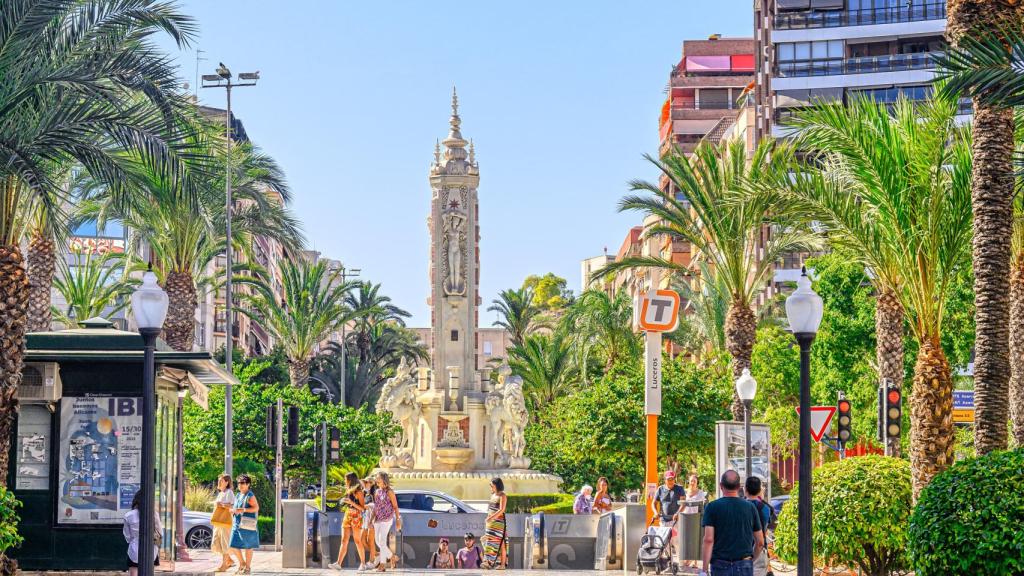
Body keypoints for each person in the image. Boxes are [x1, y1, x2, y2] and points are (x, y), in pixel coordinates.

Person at [699, 470, 764, 576]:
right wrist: (750, 561)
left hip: (720, 565)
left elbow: (708, 540)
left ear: (721, 486)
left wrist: (704, 570)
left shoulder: (712, 507)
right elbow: (760, 542)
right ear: (739, 487)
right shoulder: (750, 507)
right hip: (744, 564)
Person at [330, 472, 368, 571]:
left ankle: (363, 563)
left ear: (350, 480)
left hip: (356, 516)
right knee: (344, 540)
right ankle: (338, 563)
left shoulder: (359, 492)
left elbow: (363, 508)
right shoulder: (348, 490)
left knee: (357, 540)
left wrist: (351, 502)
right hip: (348, 515)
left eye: (345, 479)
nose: (344, 481)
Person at [123, 490, 161, 576]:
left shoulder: (128, 515)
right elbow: (160, 532)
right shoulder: (154, 514)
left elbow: (127, 536)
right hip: (152, 548)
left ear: (135, 500)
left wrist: (133, 540)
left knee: (134, 572)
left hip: (134, 548)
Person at [229, 474, 260, 574]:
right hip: (237, 524)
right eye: (238, 483)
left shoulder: (250, 496)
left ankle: (247, 568)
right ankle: (242, 563)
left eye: (242, 483)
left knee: (248, 547)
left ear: (248, 484)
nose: (240, 485)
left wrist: (243, 509)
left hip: (247, 525)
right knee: (232, 545)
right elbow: (236, 508)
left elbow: (256, 508)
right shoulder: (238, 495)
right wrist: (233, 510)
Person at [371, 471, 402, 572]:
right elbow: (376, 507)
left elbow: (395, 506)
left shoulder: (389, 491)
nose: (376, 479)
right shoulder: (376, 492)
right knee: (378, 541)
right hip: (377, 519)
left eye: (378, 477)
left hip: (387, 519)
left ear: (383, 479)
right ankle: (392, 556)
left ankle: (382, 565)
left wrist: (398, 519)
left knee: (382, 541)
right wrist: (371, 519)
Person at [744, 477, 772, 576]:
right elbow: (765, 529)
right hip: (759, 552)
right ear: (760, 490)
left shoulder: (740, 507)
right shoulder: (766, 508)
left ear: (745, 489)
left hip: (743, 553)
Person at [211, 474, 236, 572]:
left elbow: (232, 505)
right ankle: (229, 560)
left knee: (224, 543)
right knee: (217, 542)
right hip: (219, 522)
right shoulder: (221, 493)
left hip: (225, 522)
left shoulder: (229, 492)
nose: (219, 482)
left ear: (227, 482)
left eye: (221, 481)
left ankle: (224, 566)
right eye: (219, 480)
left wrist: (220, 504)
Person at [482, 477, 508, 569]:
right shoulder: (492, 495)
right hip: (491, 523)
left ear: (496, 485)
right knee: (490, 542)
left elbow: (502, 509)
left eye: (491, 485)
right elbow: (490, 509)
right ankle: (489, 561)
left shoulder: (502, 495)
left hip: (499, 523)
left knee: (501, 543)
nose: (490, 487)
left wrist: (491, 518)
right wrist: (488, 519)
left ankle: (502, 565)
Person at [361, 477, 377, 568]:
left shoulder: (374, 493)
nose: (365, 483)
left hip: (372, 518)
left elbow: (375, 506)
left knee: (370, 541)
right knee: (362, 539)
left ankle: (371, 561)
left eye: (366, 482)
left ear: (371, 483)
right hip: (365, 518)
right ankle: (376, 554)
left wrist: (367, 506)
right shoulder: (365, 493)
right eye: (365, 482)